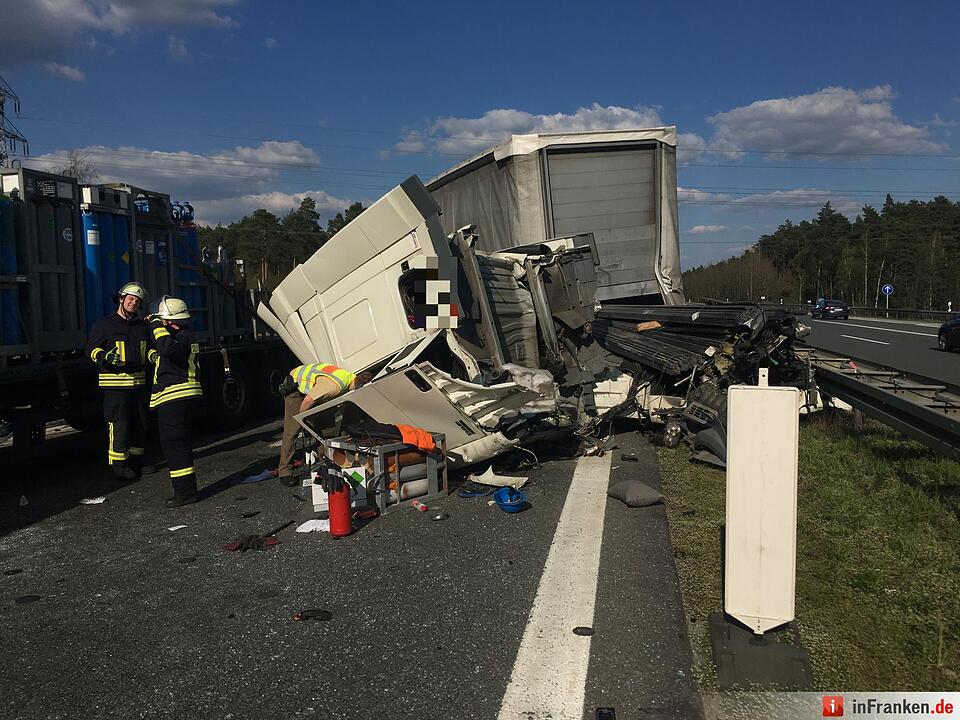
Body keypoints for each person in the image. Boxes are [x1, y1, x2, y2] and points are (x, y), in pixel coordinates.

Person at [84, 281, 152, 483]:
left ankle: (137, 461)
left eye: (137, 301)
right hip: (116, 387)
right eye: (130, 299)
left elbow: (146, 350)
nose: (133, 303)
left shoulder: (141, 326)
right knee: (119, 425)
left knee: (139, 423)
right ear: (121, 300)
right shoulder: (104, 325)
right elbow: (91, 349)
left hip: (138, 385)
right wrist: (105, 357)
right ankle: (119, 466)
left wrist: (152, 355)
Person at [147, 296, 204, 508]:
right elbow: (168, 355)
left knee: (175, 446)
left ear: (171, 320)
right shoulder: (182, 336)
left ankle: (185, 493)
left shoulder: (182, 336)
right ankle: (185, 491)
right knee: (177, 445)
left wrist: (154, 323)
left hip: (175, 398)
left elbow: (169, 349)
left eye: (162, 320)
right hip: (179, 397)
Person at [276, 363, 373, 486]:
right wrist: (304, 423)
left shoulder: (350, 377)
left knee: (317, 429)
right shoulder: (334, 387)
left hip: (311, 386)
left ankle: (327, 463)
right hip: (295, 387)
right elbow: (306, 402)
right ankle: (285, 472)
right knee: (293, 430)